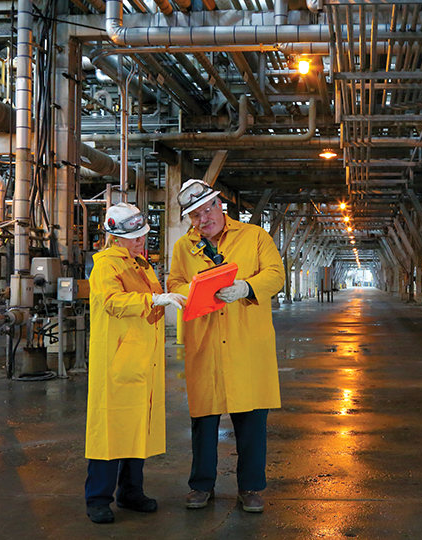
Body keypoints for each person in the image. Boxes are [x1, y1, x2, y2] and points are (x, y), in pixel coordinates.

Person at [167, 179, 285, 513]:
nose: (204, 219)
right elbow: (174, 280)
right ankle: (201, 486)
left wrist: (246, 287)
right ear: (189, 219)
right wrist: (192, 291)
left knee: (250, 421)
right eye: (195, 215)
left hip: (246, 344)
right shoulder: (183, 248)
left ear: (221, 206)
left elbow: (276, 275)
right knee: (203, 420)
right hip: (205, 342)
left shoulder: (255, 237)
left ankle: (250, 488)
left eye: (207, 209)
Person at [84, 202, 187, 524]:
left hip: (141, 360)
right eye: (136, 237)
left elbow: (150, 308)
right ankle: (97, 498)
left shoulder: (141, 265)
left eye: (144, 235)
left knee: (135, 429)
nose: (142, 240)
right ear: (116, 237)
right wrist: (154, 300)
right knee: (109, 431)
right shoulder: (106, 266)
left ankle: (131, 492)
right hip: (117, 361)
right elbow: (112, 303)